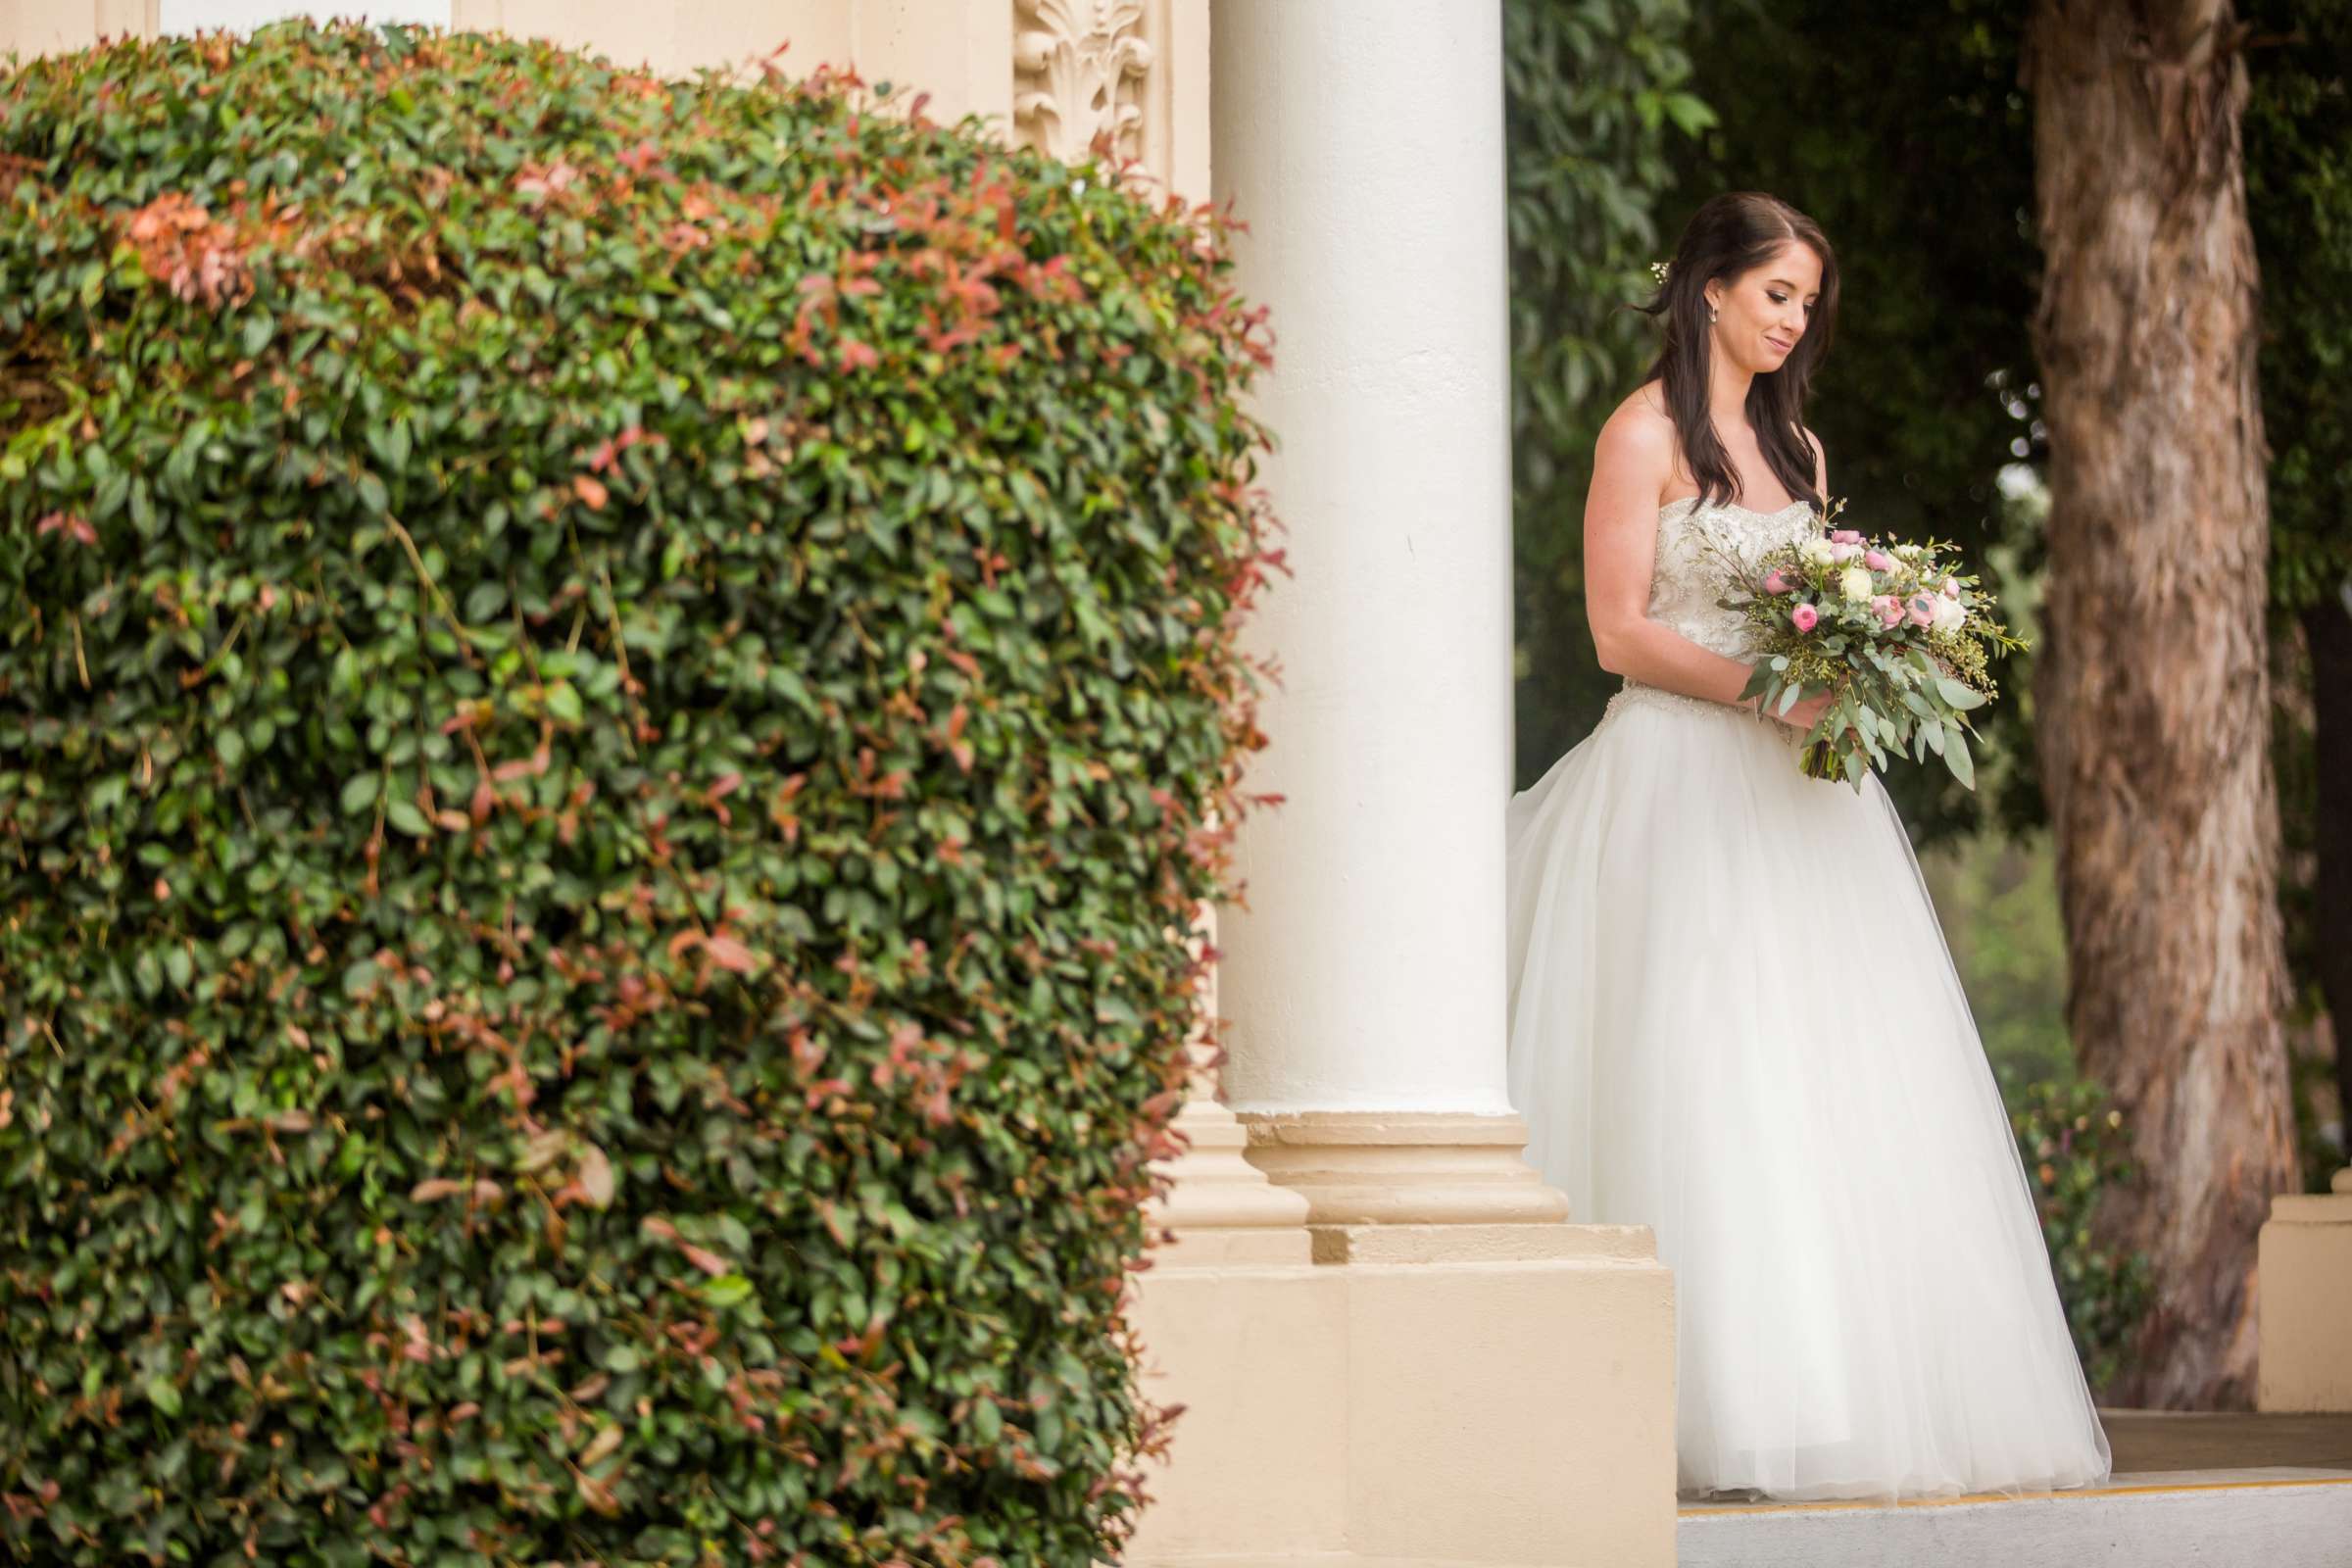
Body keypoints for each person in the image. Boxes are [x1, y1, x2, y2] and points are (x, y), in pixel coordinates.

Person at [1503, 192, 2114, 1502]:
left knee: (1820, 1080)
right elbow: (1619, 631)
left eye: (1805, 304)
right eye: (1776, 293)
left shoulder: (1804, 451)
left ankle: (1808, 1394)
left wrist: (1870, 662)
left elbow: (1810, 620)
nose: (1792, 322)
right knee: (1700, 1066)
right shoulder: (1642, 433)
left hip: (1801, 803)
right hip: (1675, 784)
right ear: (1710, 286)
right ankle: (1682, 1402)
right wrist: (1774, 695)